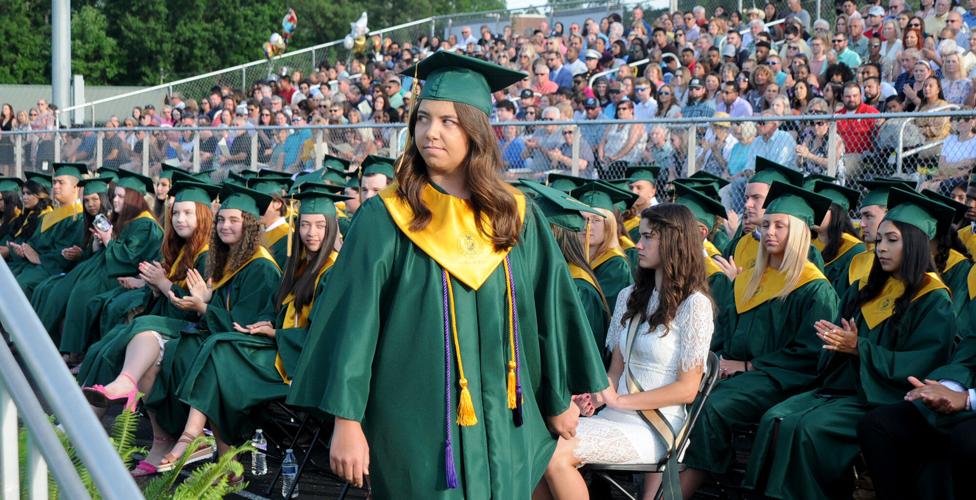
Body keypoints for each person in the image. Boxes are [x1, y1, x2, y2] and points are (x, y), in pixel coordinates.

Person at [285, 52, 608, 498]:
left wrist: (557, 401)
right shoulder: (387, 218)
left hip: (504, 421)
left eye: (448, 122)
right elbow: (355, 324)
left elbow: (548, 313)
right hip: (419, 426)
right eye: (422, 119)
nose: (429, 132)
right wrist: (347, 420)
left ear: (475, 130)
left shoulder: (516, 216)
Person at [742, 187, 956, 500]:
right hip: (843, 389)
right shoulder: (868, 290)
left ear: (915, 244)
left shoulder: (933, 299)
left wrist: (859, 348)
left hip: (884, 398)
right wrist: (834, 338)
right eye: (880, 239)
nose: (880, 248)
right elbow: (842, 340)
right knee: (776, 418)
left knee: (805, 430)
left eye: (892, 240)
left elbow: (924, 363)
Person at [84, 183, 281, 476]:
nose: (225, 226)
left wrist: (202, 306)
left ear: (250, 225)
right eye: (222, 219)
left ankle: (196, 440)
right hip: (215, 337)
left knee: (153, 337)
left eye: (234, 220)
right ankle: (158, 436)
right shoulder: (227, 258)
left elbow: (244, 326)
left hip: (245, 351)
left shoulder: (261, 267)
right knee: (145, 340)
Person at [540, 203, 713, 500]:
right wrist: (592, 397)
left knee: (555, 456)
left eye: (648, 237)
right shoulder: (629, 297)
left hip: (656, 427)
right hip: (615, 416)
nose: (638, 244)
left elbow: (687, 390)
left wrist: (620, 400)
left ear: (673, 241)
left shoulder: (695, 304)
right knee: (536, 446)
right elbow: (614, 373)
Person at [169, 184, 346, 470]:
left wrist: (277, 333)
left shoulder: (334, 270)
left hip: (306, 365)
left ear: (333, 228)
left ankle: (198, 440)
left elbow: (329, 335)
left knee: (220, 352)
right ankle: (216, 454)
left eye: (320, 225)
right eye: (304, 225)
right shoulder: (301, 265)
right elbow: (288, 313)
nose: (311, 233)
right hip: (285, 351)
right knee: (212, 348)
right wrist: (271, 323)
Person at [681, 182, 840, 497]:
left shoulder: (813, 288)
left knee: (711, 406)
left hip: (779, 379)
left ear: (798, 233)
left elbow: (809, 355)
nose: (769, 232)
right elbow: (724, 331)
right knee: (687, 392)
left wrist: (748, 365)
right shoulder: (752, 279)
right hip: (738, 372)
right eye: (766, 224)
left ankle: (698, 485)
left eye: (780, 226)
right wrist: (716, 363)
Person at [31, 170, 163, 355]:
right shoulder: (126, 219)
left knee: (82, 293)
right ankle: (41, 343)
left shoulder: (146, 224)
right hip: (101, 266)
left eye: (121, 196)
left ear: (134, 199)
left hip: (119, 273)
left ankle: (73, 351)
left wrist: (108, 239)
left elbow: (130, 258)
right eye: (115, 195)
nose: (115, 200)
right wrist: (97, 242)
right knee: (55, 288)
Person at [8, 164, 86, 296]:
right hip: (36, 266)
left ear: (75, 187)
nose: (55, 186)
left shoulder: (78, 218)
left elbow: (65, 254)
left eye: (61, 183)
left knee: (21, 285)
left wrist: (39, 258)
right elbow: (35, 243)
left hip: (53, 270)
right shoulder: (50, 216)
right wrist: (24, 251)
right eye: (54, 182)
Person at [810, 180, 866, 294]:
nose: (815, 212)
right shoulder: (807, 244)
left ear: (837, 213)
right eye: (813, 207)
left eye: (822, 207)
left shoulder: (855, 250)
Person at [622, 165, 660, 244]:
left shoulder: (660, 215)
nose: (633, 192)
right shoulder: (626, 214)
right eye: (631, 188)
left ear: (652, 192)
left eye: (639, 188)